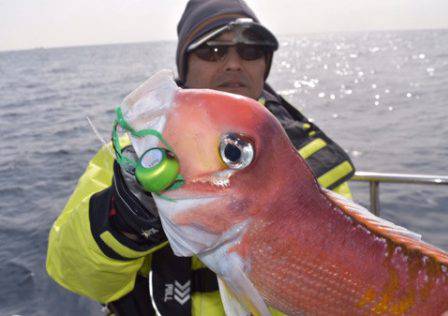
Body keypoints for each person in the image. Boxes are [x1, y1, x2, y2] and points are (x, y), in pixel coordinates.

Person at [46, 0, 355, 315]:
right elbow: (71, 272)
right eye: (213, 51)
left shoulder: (308, 156)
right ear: (185, 65)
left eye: (251, 51)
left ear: (265, 64)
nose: (234, 63)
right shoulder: (135, 153)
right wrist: (123, 215)